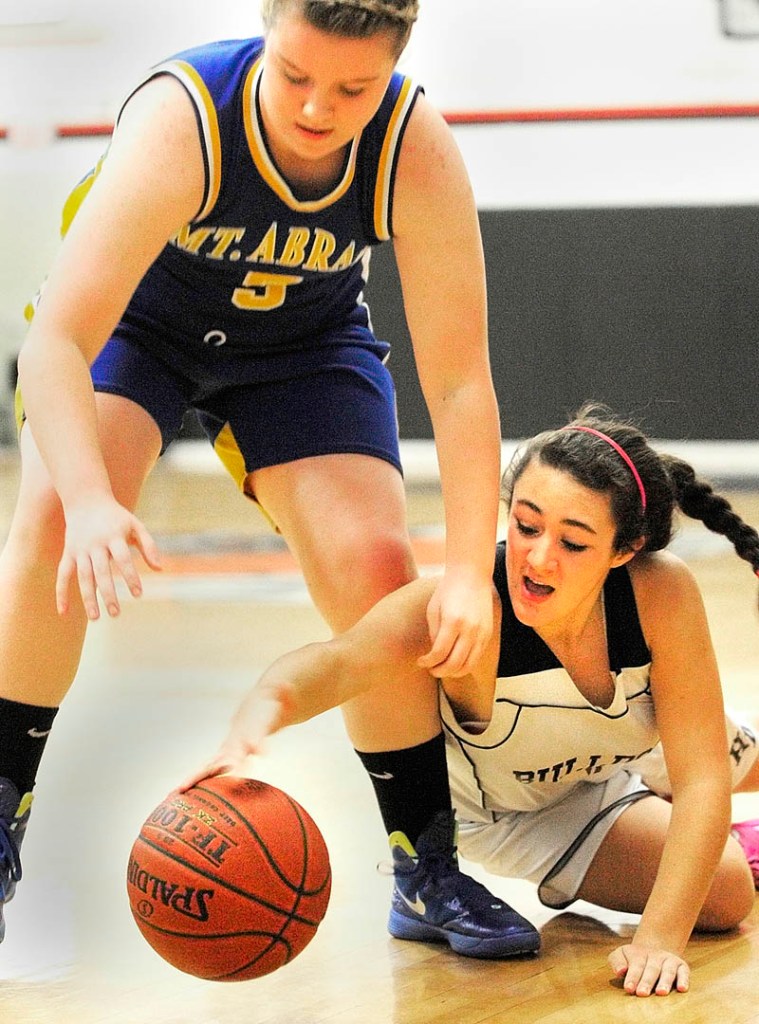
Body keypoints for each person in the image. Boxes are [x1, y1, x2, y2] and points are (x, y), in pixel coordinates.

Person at [0, 0, 533, 955]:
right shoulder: (186, 118)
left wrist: (462, 571)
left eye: (353, 88)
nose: (319, 108)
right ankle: (2, 805)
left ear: (395, 72)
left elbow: (458, 385)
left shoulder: (414, 148)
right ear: (266, 28)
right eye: (295, 75)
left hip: (301, 344)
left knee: (377, 575)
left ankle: (425, 866)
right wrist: (87, 502)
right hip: (133, 333)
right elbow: (55, 343)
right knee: (48, 526)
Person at [182, 404, 759, 996]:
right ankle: (423, 880)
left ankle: (684, 817)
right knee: (724, 893)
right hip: (516, 813)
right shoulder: (466, 606)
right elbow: (336, 665)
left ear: (623, 550)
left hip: (619, 753)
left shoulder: (662, 591)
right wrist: (251, 722)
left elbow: (702, 780)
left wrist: (658, 941)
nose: (537, 558)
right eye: (528, 526)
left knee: (721, 797)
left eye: (574, 543)